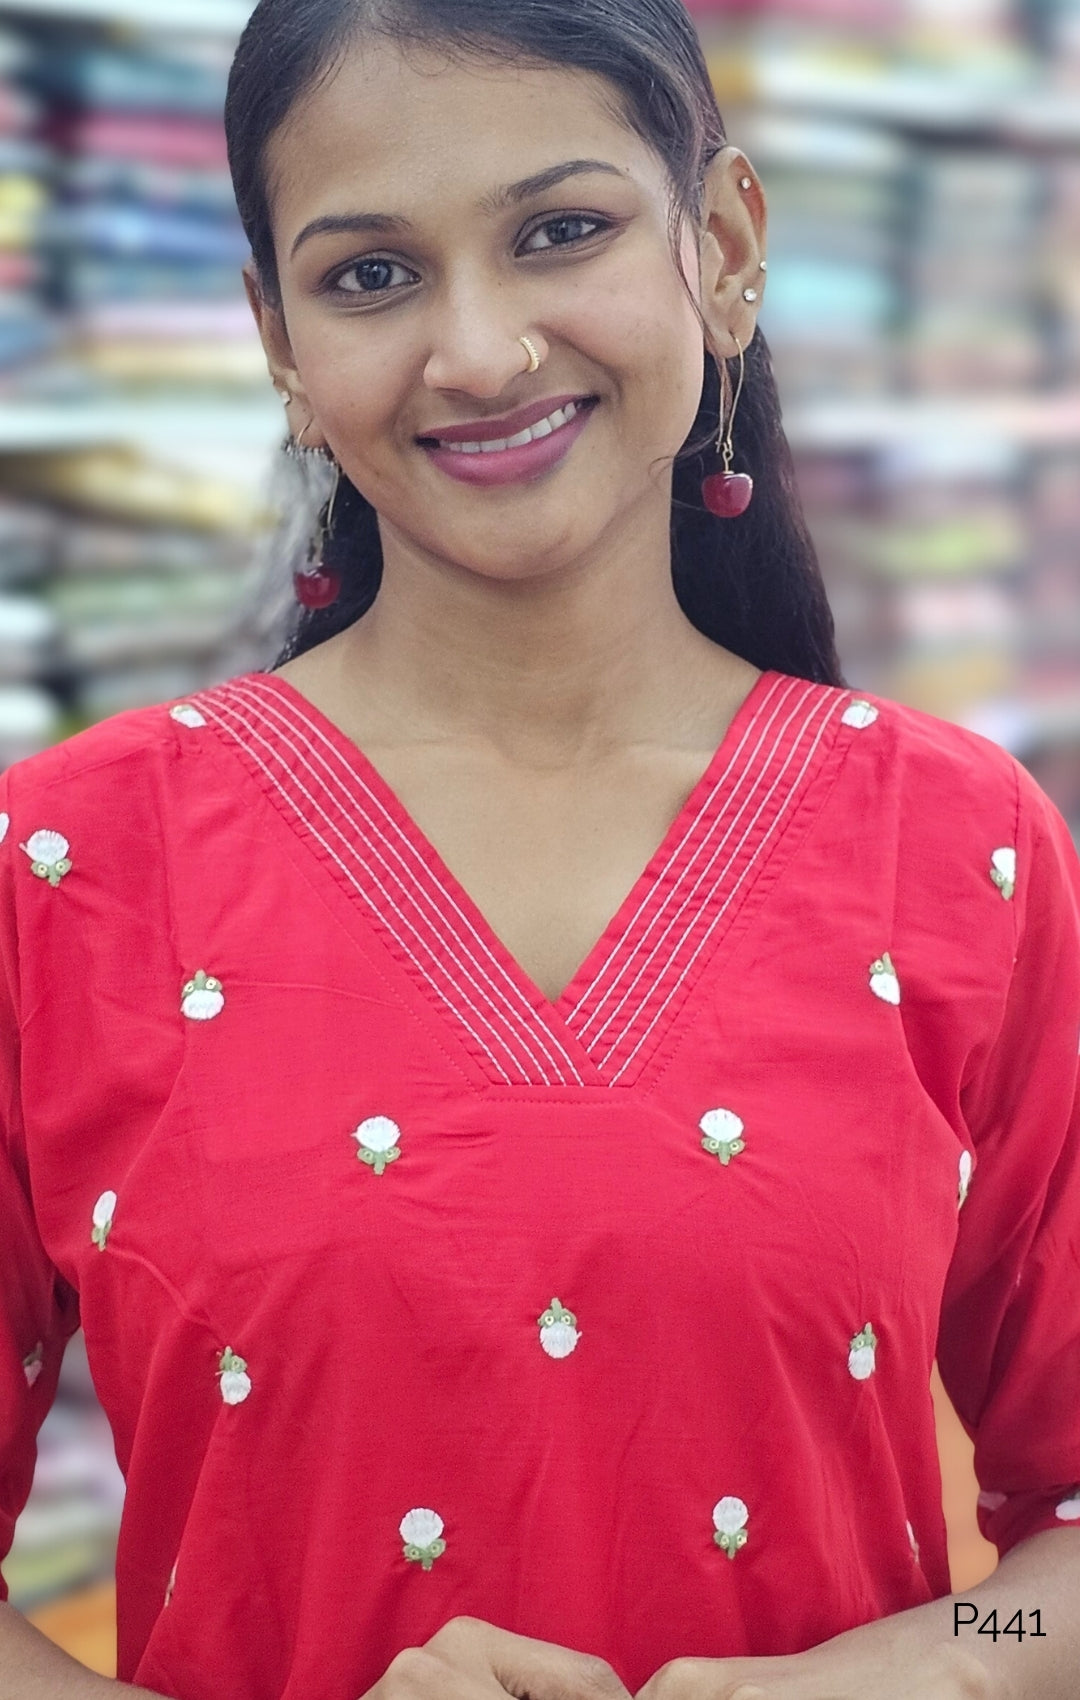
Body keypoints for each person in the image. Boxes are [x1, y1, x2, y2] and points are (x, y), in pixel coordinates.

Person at [1, 1, 1078, 1696]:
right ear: (279, 339)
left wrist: (905, 1675)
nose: (482, 351)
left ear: (721, 247)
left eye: (561, 232)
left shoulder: (956, 847)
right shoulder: (71, 867)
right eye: (371, 275)